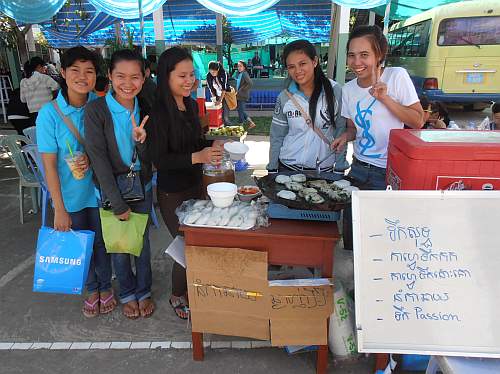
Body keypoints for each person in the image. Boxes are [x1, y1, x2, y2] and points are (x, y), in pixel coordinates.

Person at [36, 46, 115, 318]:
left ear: (96, 76)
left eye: (89, 71)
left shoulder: (103, 106)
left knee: (103, 243)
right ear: (63, 73)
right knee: (79, 243)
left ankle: (106, 287)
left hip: (100, 192)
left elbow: (111, 149)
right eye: (75, 70)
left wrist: (92, 161)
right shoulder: (50, 114)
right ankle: (92, 289)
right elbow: (49, 165)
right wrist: (58, 207)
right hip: (70, 196)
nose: (83, 76)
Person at [146, 47, 224, 320]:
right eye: (182, 75)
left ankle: (195, 288)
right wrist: (197, 155)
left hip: (197, 185)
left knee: (201, 241)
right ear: (166, 77)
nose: (189, 80)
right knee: (186, 243)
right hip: (172, 191)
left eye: (192, 74)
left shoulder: (191, 105)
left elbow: (194, 144)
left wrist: (213, 144)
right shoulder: (158, 113)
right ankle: (177, 294)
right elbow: (160, 159)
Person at [331, 25, 424, 250]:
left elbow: (417, 120)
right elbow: (354, 128)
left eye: (365, 55)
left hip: (388, 173)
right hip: (359, 168)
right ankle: (357, 283)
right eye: (352, 55)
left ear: (379, 54)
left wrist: (386, 99)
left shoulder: (396, 76)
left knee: (380, 240)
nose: (356, 62)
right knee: (353, 238)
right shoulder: (349, 89)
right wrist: (346, 135)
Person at [84, 49, 154, 319]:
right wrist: (117, 203)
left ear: (144, 77)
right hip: (112, 191)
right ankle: (127, 293)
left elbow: (150, 159)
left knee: (142, 244)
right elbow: (98, 160)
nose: (128, 83)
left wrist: (142, 142)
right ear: (110, 77)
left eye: (135, 77)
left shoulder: (146, 106)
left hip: (143, 187)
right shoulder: (96, 110)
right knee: (120, 245)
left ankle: (144, 291)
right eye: (120, 76)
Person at [267, 39, 348, 174]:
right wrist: (272, 168)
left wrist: (339, 170)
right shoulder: (285, 97)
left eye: (302, 63)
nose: (297, 71)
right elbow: (277, 136)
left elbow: (341, 131)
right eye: (291, 66)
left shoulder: (335, 91)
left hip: (323, 171)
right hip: (287, 168)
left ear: (314, 61)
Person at [20, 56, 60, 126]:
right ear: (38, 66)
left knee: (39, 134)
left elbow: (23, 100)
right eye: (43, 67)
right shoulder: (45, 78)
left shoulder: (23, 82)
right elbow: (57, 87)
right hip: (48, 111)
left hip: (33, 114)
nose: (44, 69)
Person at [206, 61, 232, 126]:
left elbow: (224, 88)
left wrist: (220, 100)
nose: (213, 73)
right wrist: (214, 99)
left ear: (218, 70)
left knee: (225, 113)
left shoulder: (223, 73)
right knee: (218, 112)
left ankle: (228, 125)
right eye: (211, 72)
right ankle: (220, 126)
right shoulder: (208, 76)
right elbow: (211, 88)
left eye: (214, 72)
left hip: (225, 94)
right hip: (217, 95)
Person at [235, 60, 256, 128]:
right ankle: (251, 123)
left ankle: (241, 125)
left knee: (240, 111)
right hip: (238, 95)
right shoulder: (239, 74)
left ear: (244, 67)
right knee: (240, 110)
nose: (239, 67)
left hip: (242, 95)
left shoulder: (244, 74)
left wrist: (242, 89)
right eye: (238, 66)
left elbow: (250, 83)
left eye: (241, 66)